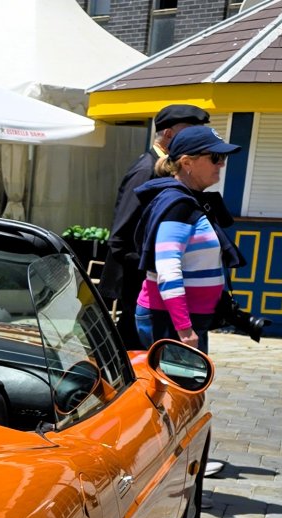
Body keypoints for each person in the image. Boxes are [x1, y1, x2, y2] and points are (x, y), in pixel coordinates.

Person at [101, 104, 211, 348]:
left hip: (153, 281)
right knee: (137, 351)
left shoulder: (167, 167)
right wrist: (151, 268)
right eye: (190, 131)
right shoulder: (146, 169)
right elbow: (120, 237)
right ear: (169, 134)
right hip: (139, 282)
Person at [132, 125, 244, 359]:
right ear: (187, 162)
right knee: (177, 384)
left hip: (184, 319)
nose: (221, 164)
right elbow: (168, 269)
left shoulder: (190, 200)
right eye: (215, 157)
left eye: (223, 158)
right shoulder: (178, 205)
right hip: (170, 322)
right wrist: (184, 329)